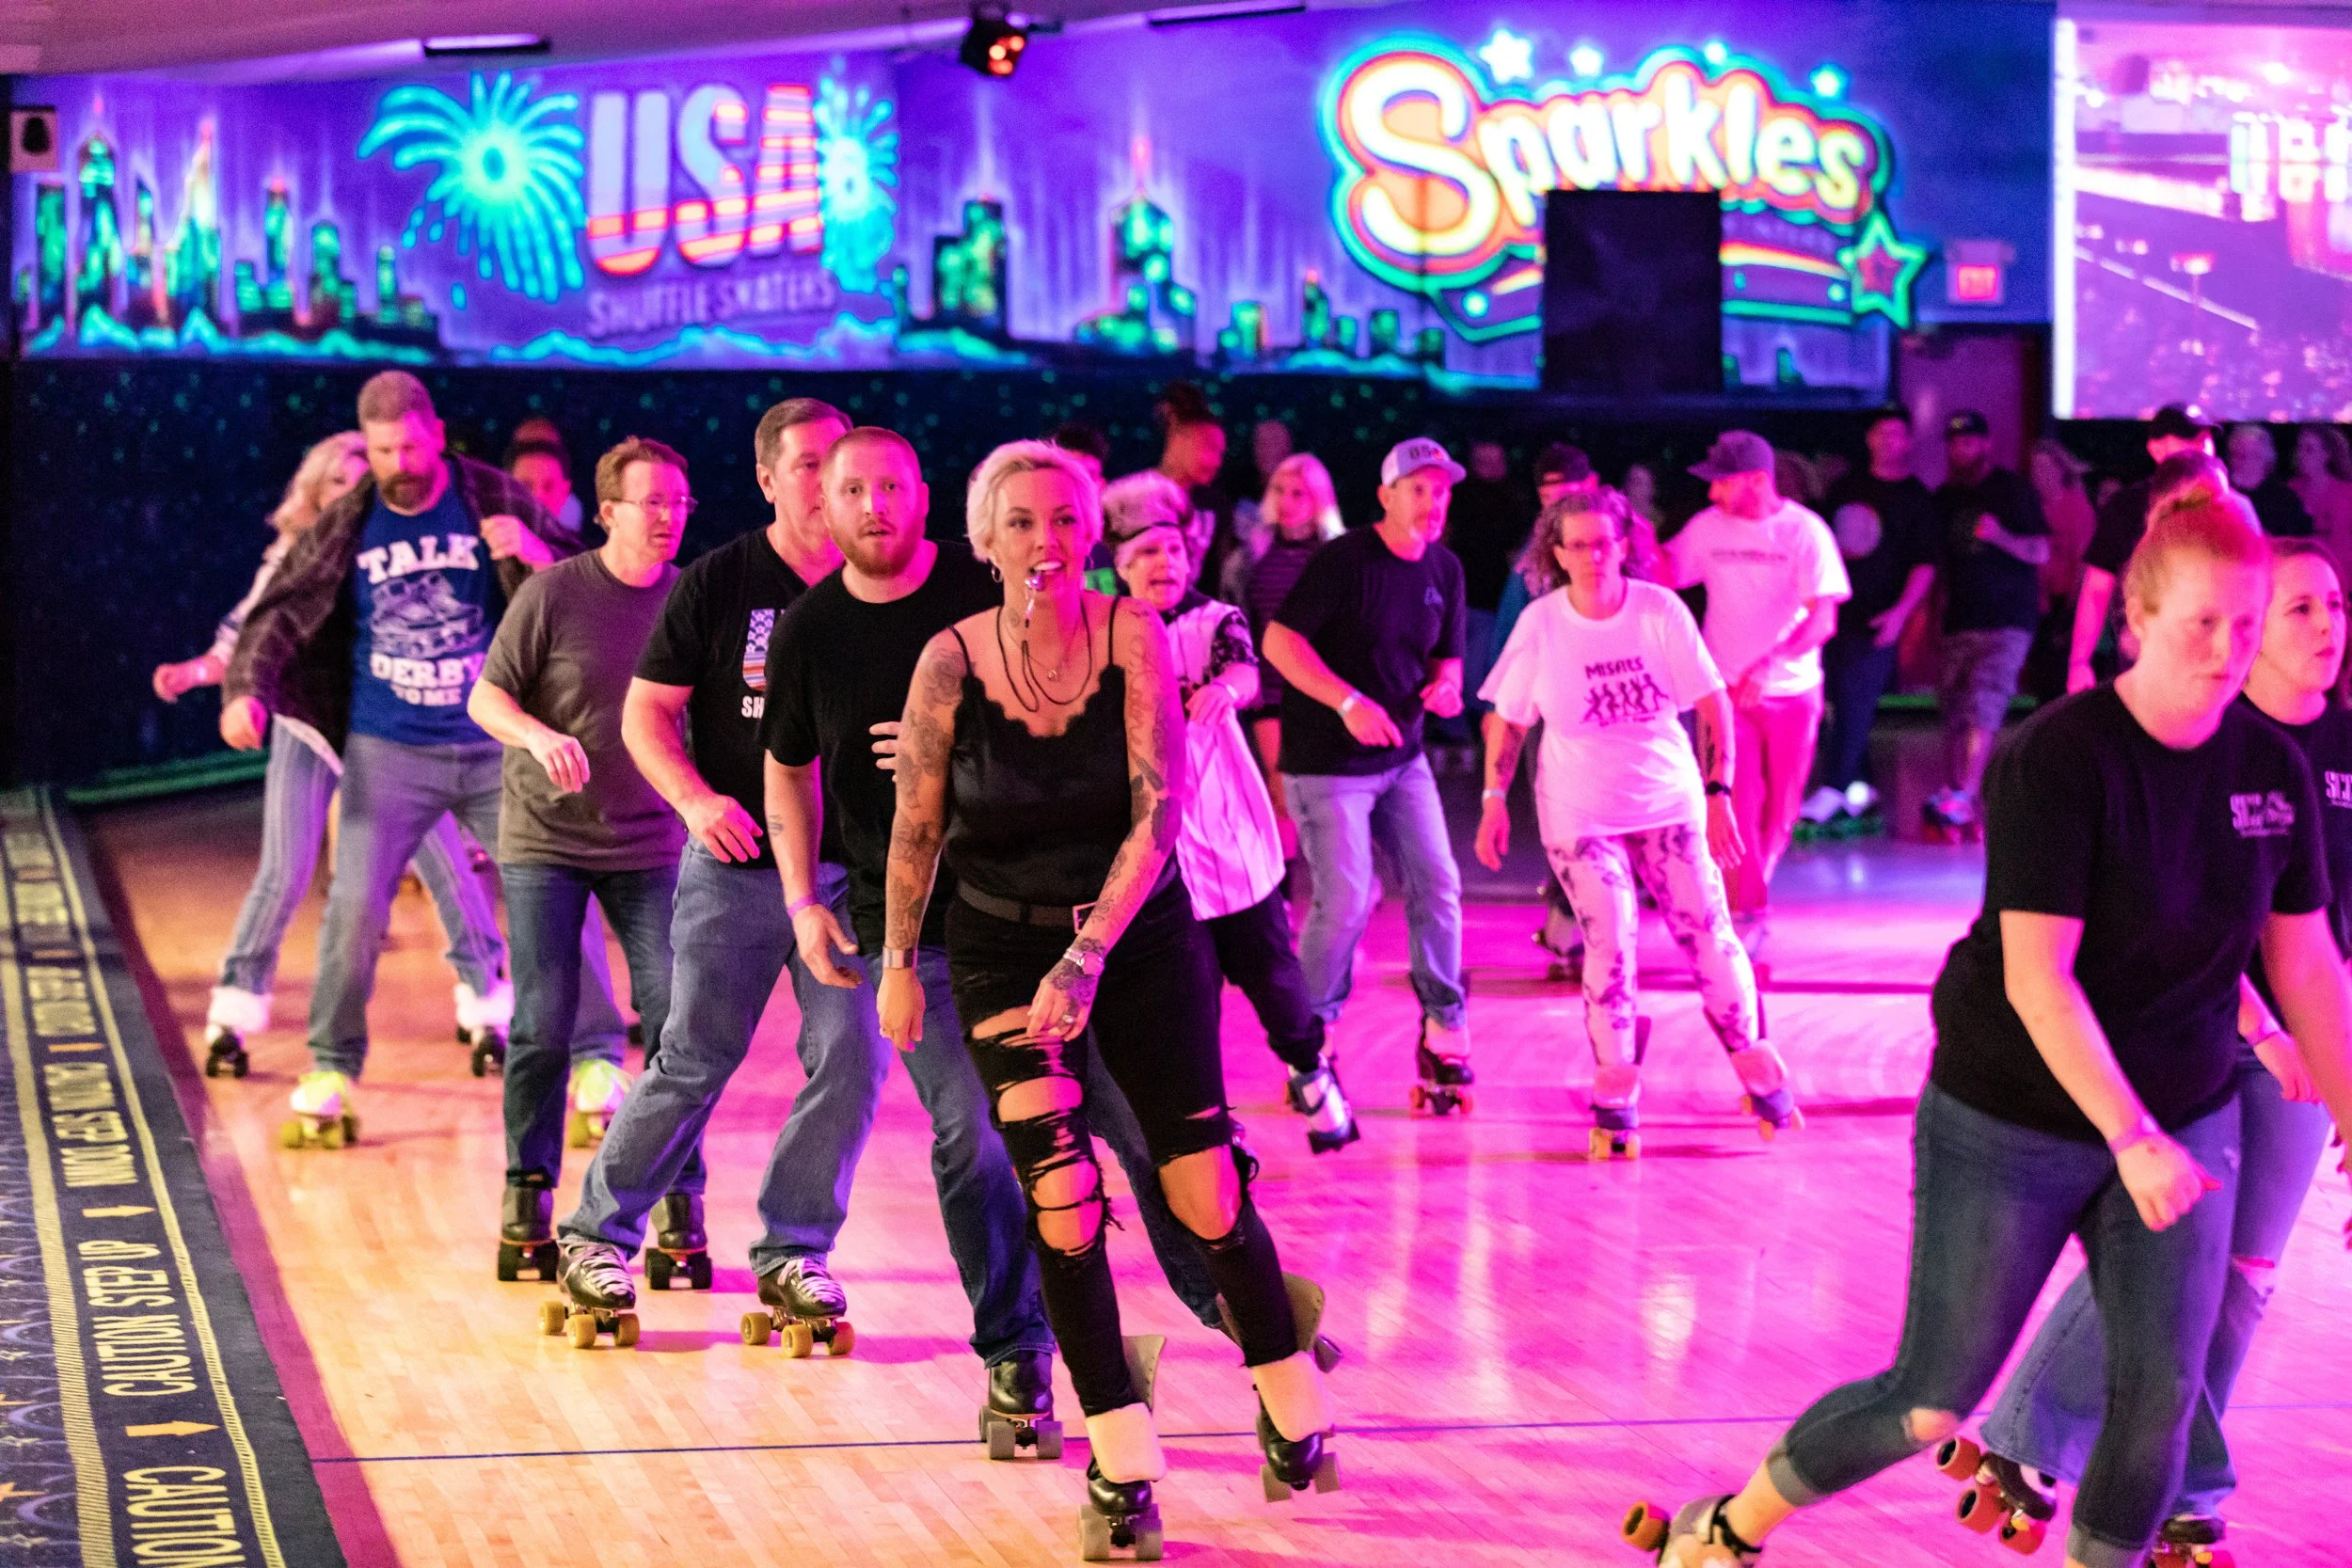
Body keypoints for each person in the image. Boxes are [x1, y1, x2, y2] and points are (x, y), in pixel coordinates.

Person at [1625, 488, 2352, 1568]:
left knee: (2157, 1395)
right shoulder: (2058, 758)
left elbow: (2305, 962)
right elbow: (2038, 978)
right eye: (2203, 621)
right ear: (2136, 619)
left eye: (2245, 624)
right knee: (1929, 1398)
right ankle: (1729, 1526)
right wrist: (2129, 1133)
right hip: (2011, 1107)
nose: (2226, 646)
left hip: (2185, 1098)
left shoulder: (2269, 769)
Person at [879, 438, 1338, 1548]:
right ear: (983, 540)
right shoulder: (946, 658)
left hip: (1135, 942)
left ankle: (1289, 1396)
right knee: (1063, 1195)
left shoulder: (1133, 635)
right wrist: (898, 957)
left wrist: (1083, 958)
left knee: (1206, 1195)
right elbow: (920, 821)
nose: (1048, 542)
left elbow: (1157, 812)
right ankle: (1123, 1461)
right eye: (1024, 522)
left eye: (1068, 521)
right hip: (995, 953)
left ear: (1093, 534)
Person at [1965, 532, 2352, 1562]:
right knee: (2187, 1265)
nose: (2325, 628)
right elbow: (2176, 910)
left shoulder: (2340, 751)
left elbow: (2324, 943)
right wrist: (2260, 1027)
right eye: (2297, 610)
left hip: (2308, 1054)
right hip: (2197, 1040)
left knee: (2241, 1273)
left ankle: (2140, 1465)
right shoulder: (2207, 747)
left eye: (2333, 605)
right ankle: (2127, 1465)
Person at [552, 397, 903, 1333]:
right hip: (740, 867)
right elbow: (645, 715)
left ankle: (796, 1251)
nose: (832, 480)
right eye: (809, 464)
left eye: (845, 461)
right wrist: (697, 801)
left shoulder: (891, 581)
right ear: (767, 478)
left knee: (853, 1057)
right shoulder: (718, 582)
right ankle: (597, 1233)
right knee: (695, 1054)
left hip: (852, 878)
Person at [752, 424, 1059, 1436]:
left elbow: (1064, 729)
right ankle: (1018, 1352)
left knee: (1125, 1137)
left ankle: (1241, 1310)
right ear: (822, 508)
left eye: (891, 485)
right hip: (911, 926)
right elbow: (786, 769)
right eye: (852, 490)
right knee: (973, 1134)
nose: (874, 505)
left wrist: (955, 738)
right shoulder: (807, 630)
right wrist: (802, 900)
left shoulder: (982, 603)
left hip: (1031, 912)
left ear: (925, 495)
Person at [222, 372, 575, 1146]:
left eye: (411, 445)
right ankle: (331, 1067)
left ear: (437, 432)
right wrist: (244, 692)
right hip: (388, 749)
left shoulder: (492, 496)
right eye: (383, 449)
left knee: (557, 889)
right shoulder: (349, 520)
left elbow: (587, 580)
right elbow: (279, 609)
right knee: (352, 912)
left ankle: (590, 1057)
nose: (399, 462)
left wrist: (539, 551)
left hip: (493, 740)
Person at [153, 434, 498, 1078]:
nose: (356, 495)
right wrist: (204, 674)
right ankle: (235, 1007)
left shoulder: (396, 546)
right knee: (284, 868)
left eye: (364, 483)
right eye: (341, 483)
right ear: (316, 494)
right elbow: (248, 632)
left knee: (447, 864)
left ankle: (486, 1000)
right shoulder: (296, 554)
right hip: (311, 724)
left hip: (395, 731)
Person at [1473, 487, 1796, 1155]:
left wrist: (1718, 794)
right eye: (1578, 544)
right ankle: (1616, 1077)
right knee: (1611, 940)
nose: (1593, 555)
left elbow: (1712, 705)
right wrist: (1493, 799)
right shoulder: (1542, 622)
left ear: (1625, 545)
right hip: (1579, 809)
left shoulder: (1658, 610)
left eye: (1604, 541)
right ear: (1556, 553)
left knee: (1707, 927)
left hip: (1667, 801)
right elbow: (1507, 719)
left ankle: (1754, 1056)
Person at [466, 436, 688, 1281]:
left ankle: (677, 1194)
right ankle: (528, 1189)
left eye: (678, 501)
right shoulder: (556, 591)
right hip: (546, 840)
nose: (667, 516)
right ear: (607, 511)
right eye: (650, 501)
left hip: (650, 841)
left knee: (677, 1024)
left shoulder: (686, 599)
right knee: (542, 1022)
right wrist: (539, 732)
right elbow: (488, 693)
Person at [1105, 473, 1358, 1153]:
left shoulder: (1215, 620)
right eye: (1148, 555)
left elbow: (1246, 672)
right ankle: (1213, 1126)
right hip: (1160, 852)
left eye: (1175, 553)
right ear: (1121, 566)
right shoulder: (1105, 634)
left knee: (1275, 982)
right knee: (1188, 1000)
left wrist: (1224, 688)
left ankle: (1310, 1067)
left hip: (1230, 835)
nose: (1166, 565)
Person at [1263, 436, 1474, 1111]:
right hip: (1328, 765)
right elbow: (1279, 641)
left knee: (1439, 881)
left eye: (1442, 489)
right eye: (1419, 488)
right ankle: (1310, 1040)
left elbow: (1448, 662)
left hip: (1402, 758)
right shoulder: (1345, 559)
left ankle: (1444, 1023)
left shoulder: (1444, 568)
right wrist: (1347, 701)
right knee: (1349, 897)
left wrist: (1446, 689)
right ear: (1386, 496)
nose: (1433, 501)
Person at [1661, 431, 1849, 939]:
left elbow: (1823, 620)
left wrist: (1770, 664)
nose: (1711, 494)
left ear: (1757, 481)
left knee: (1781, 808)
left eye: (1721, 483)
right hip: (1723, 689)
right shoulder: (1707, 528)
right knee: (1734, 796)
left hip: (1792, 691)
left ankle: (1750, 891)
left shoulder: (1804, 533)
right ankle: (1743, 912)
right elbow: (1664, 572)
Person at [1803, 410, 1938, 828]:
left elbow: (1925, 564)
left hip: (1880, 617)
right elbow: (1822, 547)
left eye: (1898, 434)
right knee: (1838, 701)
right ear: (1869, 439)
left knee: (1856, 700)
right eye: (1882, 433)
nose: (1889, 441)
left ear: (1909, 442)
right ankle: (1862, 789)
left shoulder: (1916, 497)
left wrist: (1900, 614)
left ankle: (1833, 786)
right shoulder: (1846, 488)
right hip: (1836, 613)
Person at [1925, 411, 2051, 838]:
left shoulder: (2013, 491)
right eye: (1955, 442)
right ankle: (1963, 797)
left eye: (1971, 441)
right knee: (1955, 710)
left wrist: (2000, 537)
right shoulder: (1943, 499)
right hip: (1959, 619)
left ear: (1987, 443)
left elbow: (2040, 552)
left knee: (1985, 703)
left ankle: (1962, 794)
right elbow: (1935, 568)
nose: (1963, 449)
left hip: (2008, 620)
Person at [1233, 451, 1342, 862]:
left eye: (1299, 493)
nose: (1287, 500)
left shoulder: (1335, 555)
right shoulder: (1251, 556)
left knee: (1327, 793)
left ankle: (1344, 882)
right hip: (1270, 690)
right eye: (1280, 489)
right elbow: (1242, 619)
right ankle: (1281, 901)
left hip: (1321, 687)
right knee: (1280, 791)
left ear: (1318, 501)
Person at [2069, 404, 2216, 693]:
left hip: (2213, 649)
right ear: (2156, 449)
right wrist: (2079, 662)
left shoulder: (2228, 504)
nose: (2201, 446)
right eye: (2188, 437)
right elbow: (2097, 588)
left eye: (2205, 437)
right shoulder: (2126, 507)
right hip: (2146, 652)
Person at [1445, 437, 1534, 726]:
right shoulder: (1458, 496)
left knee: (1475, 673)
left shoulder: (1514, 499)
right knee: (1453, 666)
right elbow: (1445, 538)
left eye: (1493, 461)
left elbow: (1517, 553)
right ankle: (1457, 729)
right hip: (1459, 597)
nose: (1488, 467)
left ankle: (1473, 728)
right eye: (1482, 461)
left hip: (1492, 598)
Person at [1154, 381, 1232, 590]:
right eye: (1209, 448)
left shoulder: (1215, 505)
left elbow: (1219, 578)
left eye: (1220, 453)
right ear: (1177, 439)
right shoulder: (1129, 496)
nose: (1216, 461)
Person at [2225, 423, 2314, 540]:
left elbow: (2300, 545)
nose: (2245, 462)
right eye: (2238, 455)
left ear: (2266, 460)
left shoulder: (2285, 500)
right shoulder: (2221, 495)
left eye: (2254, 455)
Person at [2290, 422, 2352, 567]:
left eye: (2309, 449)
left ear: (2326, 455)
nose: (2301, 455)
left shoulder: (2346, 494)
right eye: (2299, 448)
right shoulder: (2289, 492)